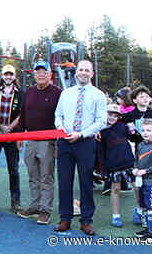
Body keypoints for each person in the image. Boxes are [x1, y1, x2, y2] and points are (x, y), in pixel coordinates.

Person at [54, 60, 107, 236]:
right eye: (81, 70)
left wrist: (82, 134)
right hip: (65, 142)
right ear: (76, 73)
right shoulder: (66, 93)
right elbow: (58, 116)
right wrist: (62, 130)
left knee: (86, 182)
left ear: (92, 74)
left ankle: (86, 220)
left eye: (87, 70)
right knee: (64, 180)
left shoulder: (98, 95)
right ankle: (65, 218)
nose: (83, 73)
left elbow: (101, 121)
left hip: (85, 142)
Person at [16, 60, 62, 225]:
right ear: (34, 74)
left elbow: (61, 118)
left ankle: (45, 210)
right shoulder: (29, 92)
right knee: (32, 175)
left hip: (48, 141)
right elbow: (23, 114)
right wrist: (20, 135)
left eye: (44, 71)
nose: (41, 74)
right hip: (31, 140)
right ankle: (34, 206)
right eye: (38, 72)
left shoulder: (58, 92)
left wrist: (58, 142)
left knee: (46, 176)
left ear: (50, 74)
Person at [121, 85, 152, 223]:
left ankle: (148, 213)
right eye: (142, 96)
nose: (145, 99)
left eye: (147, 96)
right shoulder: (128, 116)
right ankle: (141, 210)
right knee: (139, 184)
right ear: (134, 100)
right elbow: (122, 133)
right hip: (137, 154)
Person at [0, 64, 22, 213]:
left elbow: (22, 113)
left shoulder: (21, 93)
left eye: (11, 74)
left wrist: (10, 128)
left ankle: (15, 201)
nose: (8, 77)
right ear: (2, 76)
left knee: (13, 170)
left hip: (11, 135)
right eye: (6, 74)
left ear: (14, 76)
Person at [97, 104, 135, 228]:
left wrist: (134, 129)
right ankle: (116, 215)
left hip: (129, 162)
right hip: (113, 165)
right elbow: (101, 153)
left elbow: (134, 137)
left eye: (115, 115)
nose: (112, 117)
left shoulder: (123, 127)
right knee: (116, 189)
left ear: (119, 117)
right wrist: (104, 170)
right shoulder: (101, 132)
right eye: (109, 114)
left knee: (137, 187)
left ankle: (141, 211)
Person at [132, 118, 152, 240]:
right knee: (144, 205)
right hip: (141, 181)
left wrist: (146, 171)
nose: (145, 133)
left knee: (151, 207)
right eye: (143, 130)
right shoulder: (141, 144)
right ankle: (149, 229)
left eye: (149, 130)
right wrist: (135, 168)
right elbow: (137, 160)